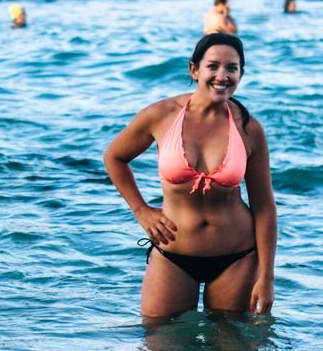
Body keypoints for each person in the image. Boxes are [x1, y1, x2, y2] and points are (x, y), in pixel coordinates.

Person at [103, 33, 276, 319]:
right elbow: (114, 157)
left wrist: (266, 277)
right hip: (173, 255)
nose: (222, 76)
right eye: (213, 66)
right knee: (160, 338)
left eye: (232, 68)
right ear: (194, 70)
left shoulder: (249, 129)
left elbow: (265, 207)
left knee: (232, 344)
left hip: (238, 257)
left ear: (241, 75)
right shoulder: (161, 115)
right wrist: (141, 210)